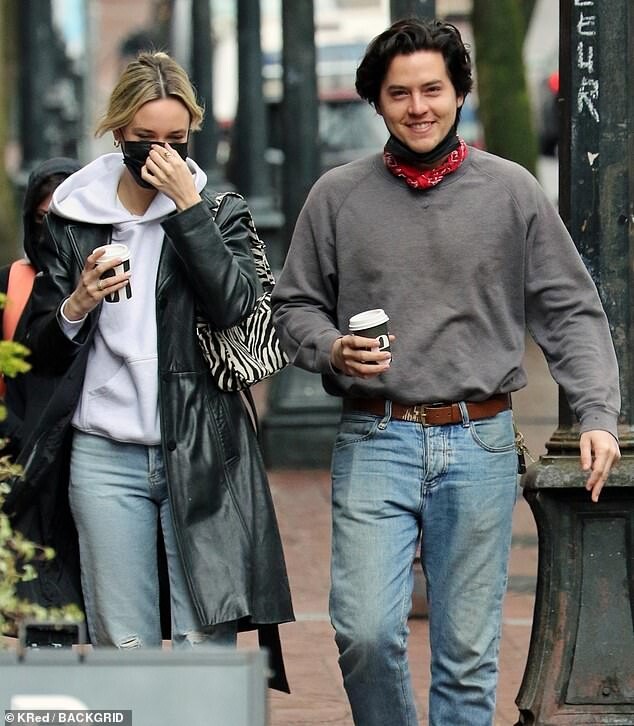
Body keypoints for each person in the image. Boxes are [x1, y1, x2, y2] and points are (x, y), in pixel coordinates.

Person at [271, 18, 620, 724]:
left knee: (466, 656)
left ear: (460, 92)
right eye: (399, 93)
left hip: (479, 441)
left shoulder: (512, 191)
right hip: (375, 437)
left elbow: (569, 309)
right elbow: (293, 307)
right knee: (365, 633)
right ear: (377, 102)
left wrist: (597, 413)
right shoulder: (336, 196)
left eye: (432, 89)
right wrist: (333, 348)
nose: (418, 107)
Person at [20, 51, 293, 685]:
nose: (160, 153)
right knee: (125, 646)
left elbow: (236, 308)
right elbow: (38, 350)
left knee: (204, 645)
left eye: (176, 138)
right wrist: (77, 303)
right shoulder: (74, 216)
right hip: (103, 454)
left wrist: (187, 209)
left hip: (201, 447)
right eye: (145, 138)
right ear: (119, 132)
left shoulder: (218, 211)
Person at [0, 157, 82, 619]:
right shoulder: (12, 282)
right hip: (26, 462)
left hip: (91, 453)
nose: (53, 231)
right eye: (42, 217)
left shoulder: (113, 278)